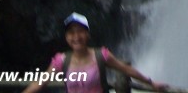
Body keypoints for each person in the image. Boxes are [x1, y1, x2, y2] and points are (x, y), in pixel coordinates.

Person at [23, 12, 168, 93]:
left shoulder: (101, 55)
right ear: (66, 37)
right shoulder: (61, 60)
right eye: (71, 33)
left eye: (80, 32)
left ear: (88, 35)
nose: (76, 37)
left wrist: (151, 83)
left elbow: (126, 70)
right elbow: (40, 83)